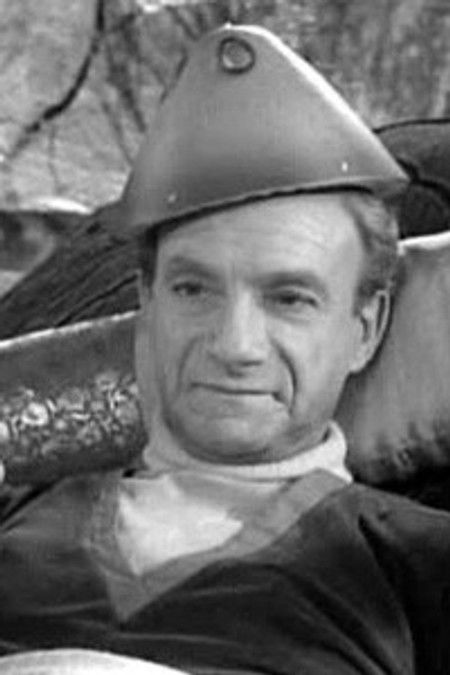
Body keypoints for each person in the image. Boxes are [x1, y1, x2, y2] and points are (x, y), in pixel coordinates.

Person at [0, 24, 449, 675]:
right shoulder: (20, 510)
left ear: (366, 327)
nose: (235, 345)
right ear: (148, 303)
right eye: (194, 289)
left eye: (289, 298)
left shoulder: (413, 564)